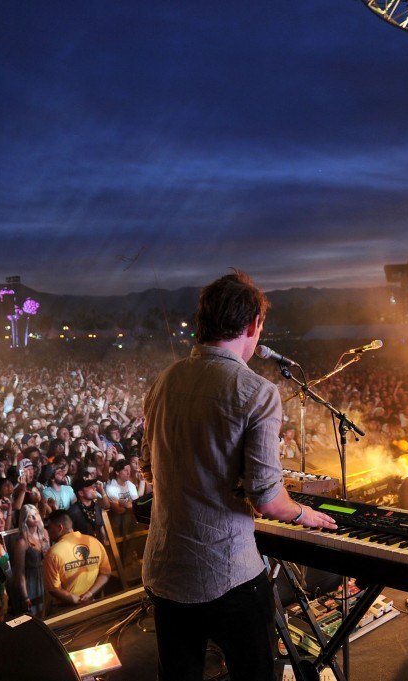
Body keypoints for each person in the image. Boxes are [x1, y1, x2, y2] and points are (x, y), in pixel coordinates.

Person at [141, 269, 336, 681]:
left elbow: (148, 468)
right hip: (225, 573)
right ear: (252, 325)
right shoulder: (255, 391)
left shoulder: (164, 381)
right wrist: (305, 514)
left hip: (164, 570)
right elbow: (268, 500)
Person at [43, 511, 111, 612]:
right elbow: (105, 574)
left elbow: (54, 589)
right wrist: (89, 594)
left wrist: (77, 600)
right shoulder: (94, 542)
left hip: (65, 610)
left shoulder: (53, 553)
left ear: (59, 528)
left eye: (50, 527)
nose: (48, 531)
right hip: (94, 603)